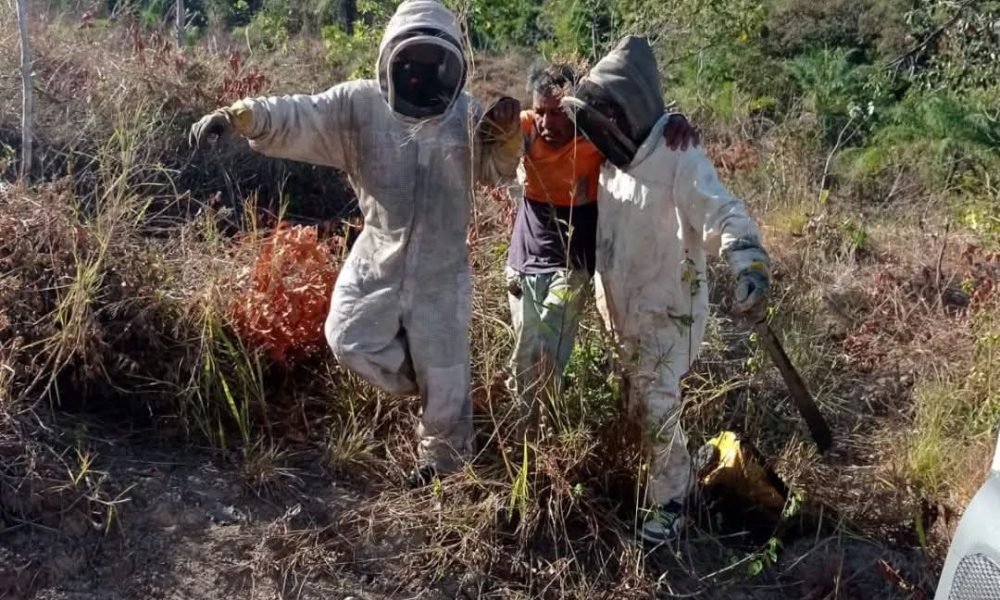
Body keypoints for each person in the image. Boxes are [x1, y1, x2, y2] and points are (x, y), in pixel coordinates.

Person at [189, 0, 522, 487]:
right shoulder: (357, 106)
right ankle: (430, 386)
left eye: (433, 67)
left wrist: (508, 142)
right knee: (347, 338)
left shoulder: (467, 116)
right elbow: (300, 114)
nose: (420, 78)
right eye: (412, 66)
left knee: (447, 374)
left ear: (453, 66)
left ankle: (445, 469)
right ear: (391, 57)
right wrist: (242, 116)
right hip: (377, 256)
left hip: (442, 271)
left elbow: (497, 172)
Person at [560, 36, 772, 545]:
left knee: (656, 403)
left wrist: (747, 258)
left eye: (607, 115)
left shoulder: (680, 155)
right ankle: (672, 479)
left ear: (629, 109)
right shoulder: (610, 162)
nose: (600, 127)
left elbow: (721, 209)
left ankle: (671, 505)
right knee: (638, 404)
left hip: (670, 313)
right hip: (623, 312)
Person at [504, 62, 699, 435]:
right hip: (523, 264)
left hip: (572, 265)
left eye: (558, 113)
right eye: (541, 111)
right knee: (527, 353)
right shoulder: (525, 128)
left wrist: (676, 121)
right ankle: (526, 442)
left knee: (543, 350)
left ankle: (547, 439)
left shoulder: (597, 137)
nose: (547, 123)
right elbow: (488, 146)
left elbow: (651, 134)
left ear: (575, 107)